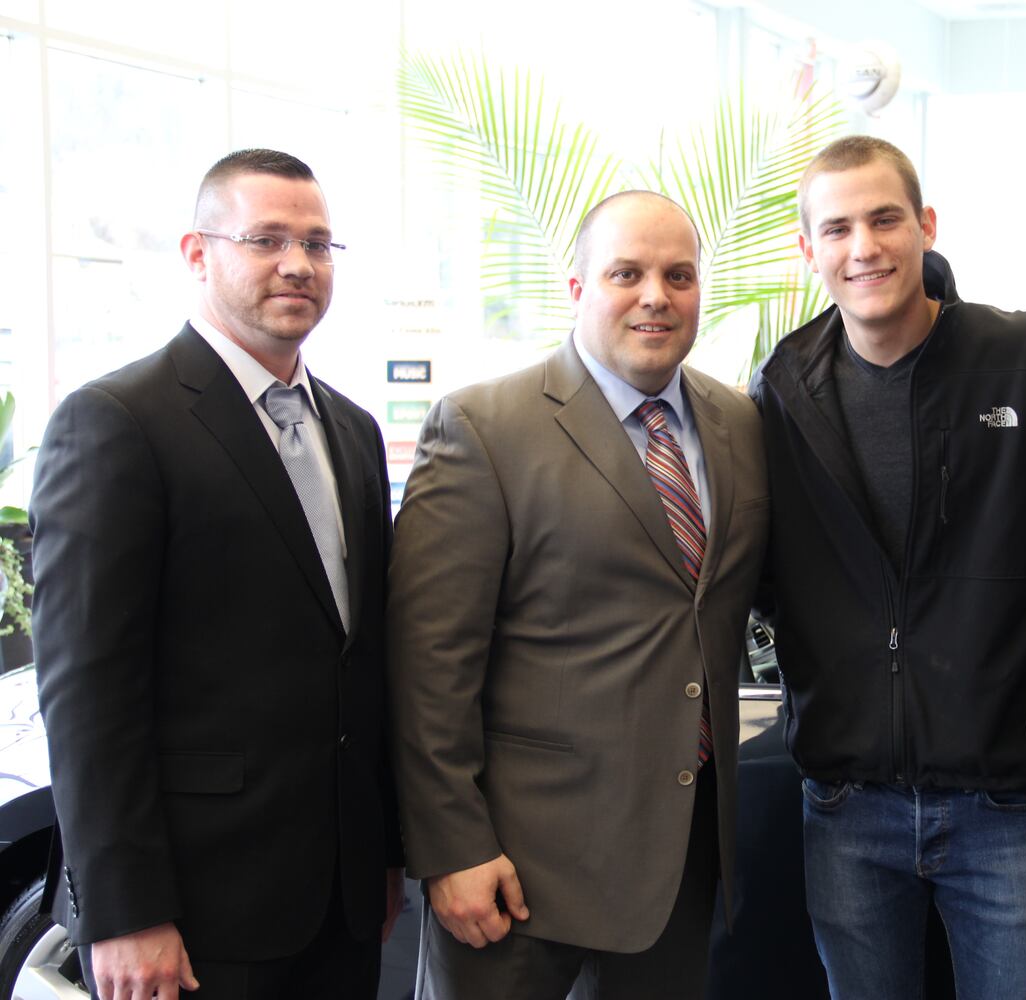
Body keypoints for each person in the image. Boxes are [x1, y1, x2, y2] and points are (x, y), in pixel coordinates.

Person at [30, 148, 404, 1000]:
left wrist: (382, 851)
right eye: (265, 239)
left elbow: (362, 660)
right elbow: (87, 694)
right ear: (197, 255)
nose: (298, 264)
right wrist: (124, 911)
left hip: (342, 901)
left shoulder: (352, 430)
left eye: (317, 244)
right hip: (194, 908)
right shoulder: (117, 421)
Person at [748, 136, 1026, 999]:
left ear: (927, 226)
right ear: (808, 249)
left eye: (885, 220)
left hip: (1007, 806)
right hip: (847, 806)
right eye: (837, 229)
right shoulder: (783, 389)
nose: (864, 248)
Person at [386, 190, 768, 1000]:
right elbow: (428, 667)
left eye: (678, 275)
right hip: (517, 874)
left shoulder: (738, 422)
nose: (655, 296)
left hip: (679, 863)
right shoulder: (483, 427)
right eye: (626, 273)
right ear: (577, 288)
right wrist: (452, 848)